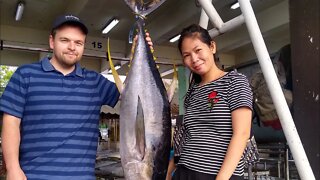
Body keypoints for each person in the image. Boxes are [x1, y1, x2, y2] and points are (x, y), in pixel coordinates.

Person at [0, 15, 153, 180]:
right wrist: (13, 168)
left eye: (78, 42)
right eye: (65, 40)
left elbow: (137, 99)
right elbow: (11, 123)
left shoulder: (95, 82)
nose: (72, 47)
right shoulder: (25, 75)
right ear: (52, 41)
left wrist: (144, 55)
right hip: (34, 176)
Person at [172, 24, 253, 180]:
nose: (194, 59)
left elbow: (242, 134)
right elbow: (187, 136)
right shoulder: (192, 91)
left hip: (218, 175)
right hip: (185, 171)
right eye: (187, 55)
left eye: (198, 50)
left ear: (212, 47)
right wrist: (170, 171)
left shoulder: (234, 81)